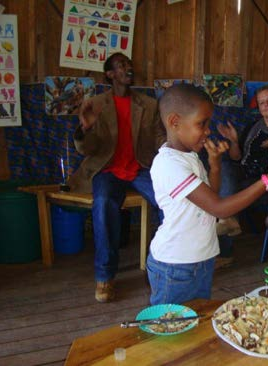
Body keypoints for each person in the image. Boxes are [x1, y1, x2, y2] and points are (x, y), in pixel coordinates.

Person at [147, 84, 268, 305]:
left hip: (200, 259)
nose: (208, 131)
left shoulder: (188, 156)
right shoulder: (168, 164)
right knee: (169, 329)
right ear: (174, 122)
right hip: (175, 266)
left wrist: (215, 166)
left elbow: (210, 196)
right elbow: (218, 207)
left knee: (195, 326)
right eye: (201, 124)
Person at [69, 52, 166, 303]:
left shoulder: (149, 104)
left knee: (169, 201)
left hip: (141, 167)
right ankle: (105, 276)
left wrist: (171, 147)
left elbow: (158, 138)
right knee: (102, 204)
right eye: (121, 65)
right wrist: (85, 129)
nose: (128, 68)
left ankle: (164, 263)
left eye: (129, 64)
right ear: (110, 74)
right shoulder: (97, 104)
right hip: (108, 169)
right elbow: (87, 149)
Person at [217, 84, 268, 206]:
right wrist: (234, 141)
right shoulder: (252, 127)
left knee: (242, 192)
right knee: (225, 166)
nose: (266, 105)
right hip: (246, 172)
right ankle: (226, 217)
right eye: (261, 103)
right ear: (259, 108)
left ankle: (229, 214)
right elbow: (236, 158)